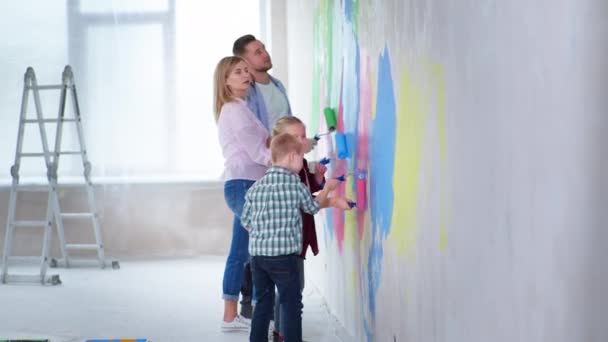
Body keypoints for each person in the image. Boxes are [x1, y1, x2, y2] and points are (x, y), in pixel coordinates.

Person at [233, 34, 318, 319]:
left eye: (264, 48)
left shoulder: (277, 86)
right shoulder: (248, 94)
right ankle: (251, 301)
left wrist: (299, 146)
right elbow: (260, 137)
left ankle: (267, 312)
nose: (264, 54)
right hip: (264, 169)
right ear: (244, 60)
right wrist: (284, 152)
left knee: (266, 236)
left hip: (283, 163)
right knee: (256, 235)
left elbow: (287, 124)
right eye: (257, 52)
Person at [241, 133, 352, 342]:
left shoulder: (255, 188)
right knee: (290, 304)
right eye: (302, 157)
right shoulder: (295, 186)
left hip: (258, 259)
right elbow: (312, 207)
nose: (304, 162)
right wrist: (327, 188)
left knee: (263, 303)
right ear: (293, 157)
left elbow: (246, 222)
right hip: (284, 258)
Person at [213, 55, 270, 332]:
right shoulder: (234, 110)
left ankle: (230, 317)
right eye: (238, 72)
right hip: (244, 186)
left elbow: (262, 145)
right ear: (225, 80)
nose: (246, 74)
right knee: (255, 252)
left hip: (249, 185)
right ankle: (254, 314)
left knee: (240, 252)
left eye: (246, 70)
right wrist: (288, 159)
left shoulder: (242, 107)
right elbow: (257, 151)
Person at [269, 117, 327, 341]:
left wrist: (319, 178)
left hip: (298, 237)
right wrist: (326, 189)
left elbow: (307, 188)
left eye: (304, 135)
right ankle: (284, 333)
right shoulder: (280, 171)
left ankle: (279, 331)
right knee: (292, 290)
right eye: (298, 136)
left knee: (289, 289)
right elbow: (307, 201)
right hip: (287, 241)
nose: (304, 140)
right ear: (281, 141)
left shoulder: (301, 165)